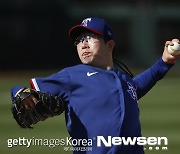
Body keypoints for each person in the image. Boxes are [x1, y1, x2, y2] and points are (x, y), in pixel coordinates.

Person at [11, 17, 180, 154]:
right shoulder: (72, 76)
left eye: (89, 38)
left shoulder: (124, 79)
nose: (83, 44)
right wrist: (18, 91)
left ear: (110, 44)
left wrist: (165, 62)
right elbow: (25, 91)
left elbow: (136, 88)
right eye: (78, 40)